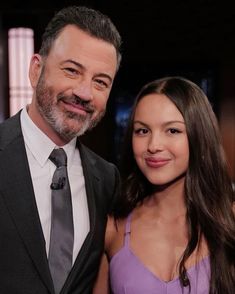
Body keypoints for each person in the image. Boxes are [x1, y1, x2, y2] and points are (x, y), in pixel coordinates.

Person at [0, 5, 122, 294]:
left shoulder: (106, 180)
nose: (84, 92)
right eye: (71, 70)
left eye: (100, 82)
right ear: (35, 69)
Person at [93, 77, 235, 294]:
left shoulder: (229, 221)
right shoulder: (114, 228)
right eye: (142, 131)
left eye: (172, 131)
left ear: (199, 136)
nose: (153, 145)